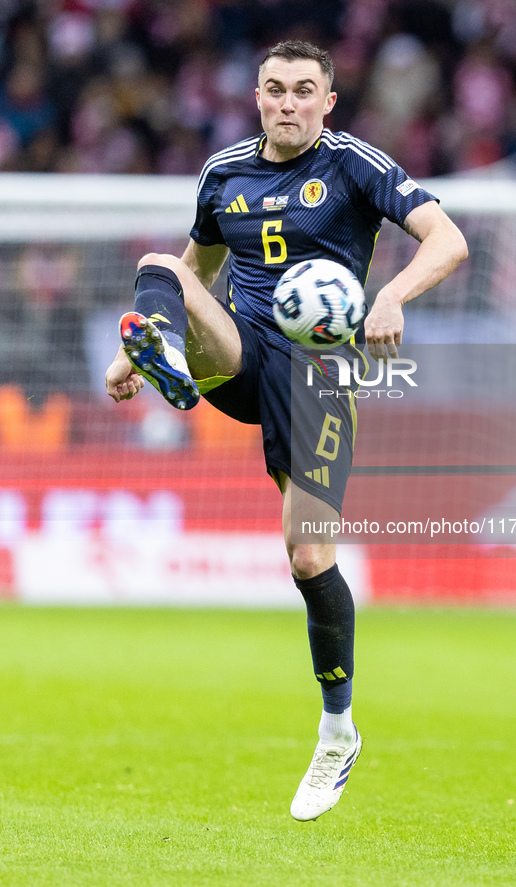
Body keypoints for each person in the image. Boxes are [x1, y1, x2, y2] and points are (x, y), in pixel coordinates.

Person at [105, 39, 468, 821]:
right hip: (242, 350)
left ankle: (337, 730)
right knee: (158, 266)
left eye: (304, 90)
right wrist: (133, 350)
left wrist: (392, 295)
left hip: (320, 375)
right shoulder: (223, 172)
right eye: (274, 89)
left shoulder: (353, 164)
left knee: (307, 555)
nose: (287, 103)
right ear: (258, 96)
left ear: (327, 100)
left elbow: (447, 239)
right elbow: (195, 272)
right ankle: (164, 361)